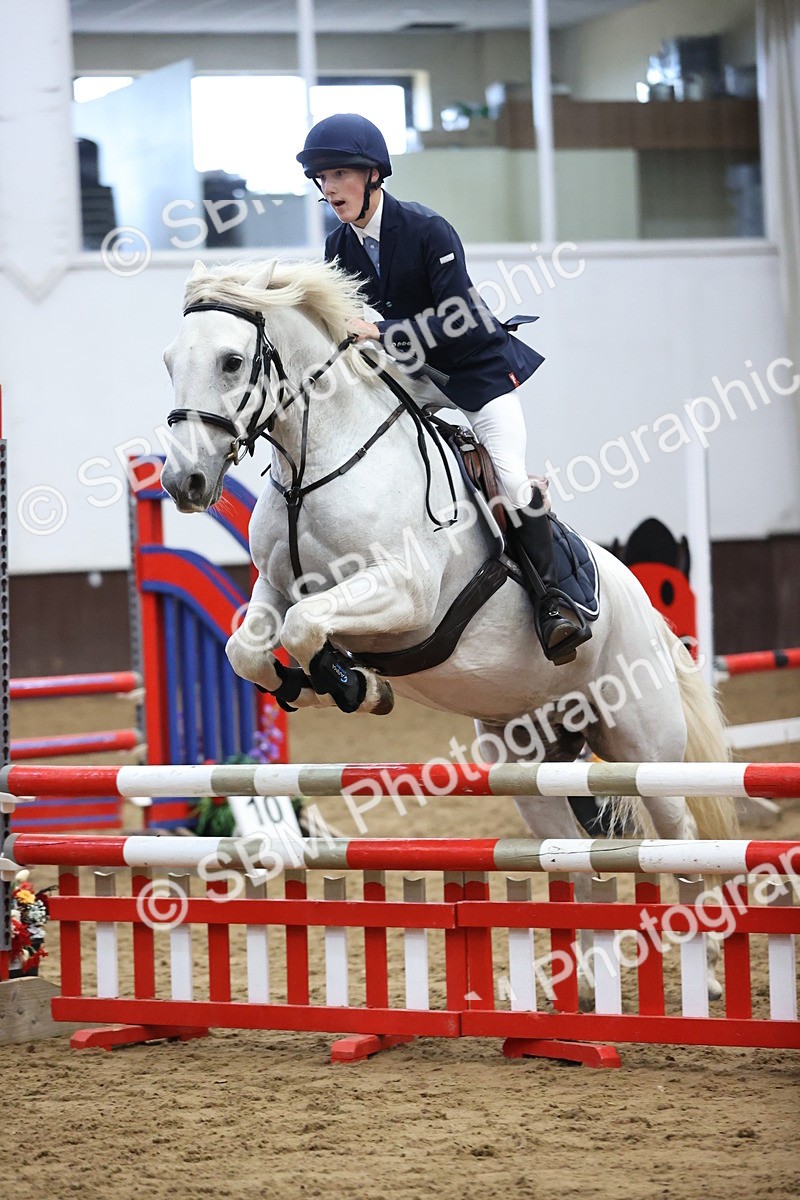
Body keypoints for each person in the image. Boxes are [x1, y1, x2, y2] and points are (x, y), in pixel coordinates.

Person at [296, 113, 589, 664]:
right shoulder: (340, 247)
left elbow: (459, 317)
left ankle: (555, 600)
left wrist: (384, 331)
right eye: (322, 177)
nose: (329, 187)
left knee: (506, 474)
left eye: (339, 174)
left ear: (372, 175)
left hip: (476, 371)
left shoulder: (428, 229)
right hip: (414, 378)